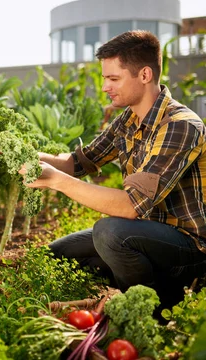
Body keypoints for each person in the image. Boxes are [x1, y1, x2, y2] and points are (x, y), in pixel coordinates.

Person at [19, 30, 206, 312]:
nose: (105, 86)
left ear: (144, 75)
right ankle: (141, 283)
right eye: (105, 78)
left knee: (109, 233)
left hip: (191, 248)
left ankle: (156, 306)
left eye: (113, 78)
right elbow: (79, 162)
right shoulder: (127, 121)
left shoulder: (180, 126)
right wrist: (25, 155)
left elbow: (131, 207)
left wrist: (58, 182)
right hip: (149, 234)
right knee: (58, 254)